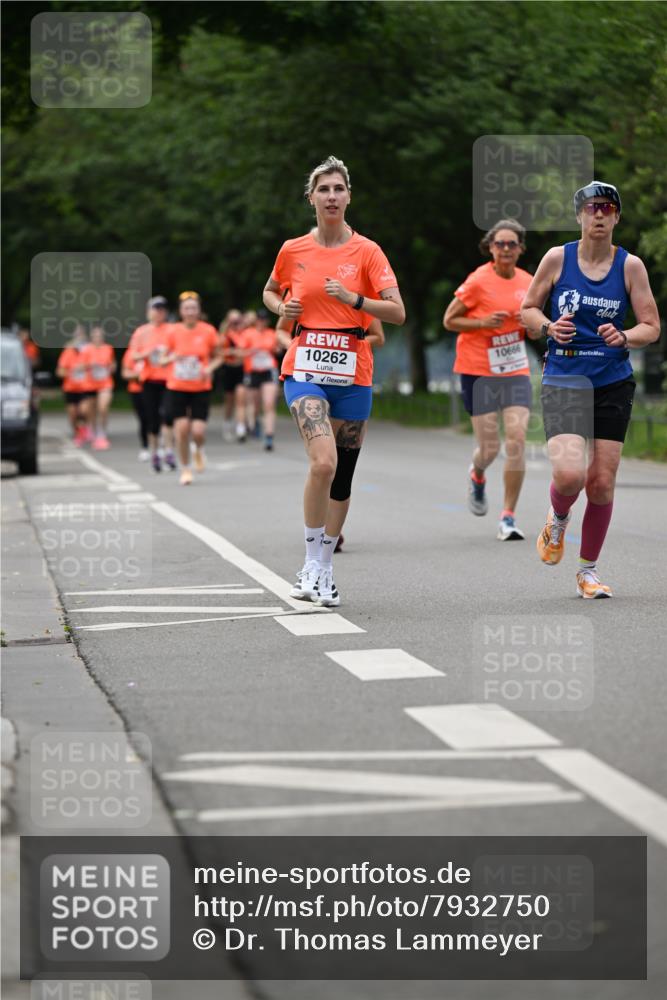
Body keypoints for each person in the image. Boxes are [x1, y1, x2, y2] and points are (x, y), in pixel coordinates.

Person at [263, 155, 405, 606]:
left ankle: (325, 566)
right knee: (322, 463)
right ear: (311, 198)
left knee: (342, 475)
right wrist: (279, 309)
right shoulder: (293, 250)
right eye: (323, 189)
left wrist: (356, 298)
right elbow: (270, 290)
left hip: (353, 370)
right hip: (304, 366)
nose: (331, 196)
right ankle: (308, 561)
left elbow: (397, 312)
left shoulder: (367, 251)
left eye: (338, 189)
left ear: (348, 197)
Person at [521, 181, 660, 598]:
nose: (598, 214)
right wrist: (548, 327)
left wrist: (625, 337)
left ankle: (588, 572)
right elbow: (526, 310)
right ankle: (558, 518)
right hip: (564, 377)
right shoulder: (556, 259)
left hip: (612, 381)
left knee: (600, 482)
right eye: (591, 208)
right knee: (569, 475)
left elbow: (651, 326)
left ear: (617, 217)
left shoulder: (630, 266)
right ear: (579, 215)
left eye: (607, 208)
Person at [443, 220, 537, 540]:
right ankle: (478, 473)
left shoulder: (529, 282)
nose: (507, 249)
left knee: (517, 439)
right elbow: (449, 320)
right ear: (491, 248)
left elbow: (537, 329)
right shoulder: (477, 281)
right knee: (490, 447)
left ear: (521, 249)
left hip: (514, 369)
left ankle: (508, 517)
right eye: (501, 244)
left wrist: (532, 323)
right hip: (478, 369)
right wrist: (483, 322)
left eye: (512, 244)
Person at [162, 291, 223, 485]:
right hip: (177, 386)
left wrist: (208, 368)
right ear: (181, 311)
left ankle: (198, 449)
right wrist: (172, 358)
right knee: (181, 430)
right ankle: (186, 468)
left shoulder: (208, 331)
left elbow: (219, 356)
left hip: (200, 386)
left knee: (197, 431)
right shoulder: (172, 331)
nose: (190, 311)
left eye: (193, 308)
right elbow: (161, 359)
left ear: (199, 310)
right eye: (186, 308)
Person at [130, 296, 176, 472]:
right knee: (152, 419)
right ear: (149, 311)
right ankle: (155, 452)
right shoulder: (142, 332)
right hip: (149, 379)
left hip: (169, 380)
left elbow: (180, 350)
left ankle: (169, 451)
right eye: (156, 309)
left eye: (162, 309)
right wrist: (148, 353)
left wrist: (168, 355)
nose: (159, 313)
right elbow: (133, 356)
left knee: (168, 415)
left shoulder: (172, 330)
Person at [239, 308, 280, 451]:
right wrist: (252, 351)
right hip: (253, 371)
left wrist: (275, 350)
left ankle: (269, 437)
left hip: (268, 371)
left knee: (268, 404)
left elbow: (278, 350)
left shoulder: (272, 334)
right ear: (256, 320)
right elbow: (240, 352)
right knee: (254, 404)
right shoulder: (247, 334)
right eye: (260, 319)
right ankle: (254, 421)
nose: (262, 322)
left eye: (264, 319)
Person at [56, 325, 95, 446]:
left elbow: (97, 367)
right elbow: (59, 372)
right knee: (73, 413)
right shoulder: (68, 352)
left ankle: (87, 429)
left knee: (83, 410)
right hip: (70, 388)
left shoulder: (89, 351)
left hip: (85, 387)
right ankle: (78, 433)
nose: (79, 338)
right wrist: (72, 371)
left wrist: (86, 367)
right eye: (77, 335)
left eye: (82, 334)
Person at [219, 309, 247, 443]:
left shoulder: (245, 334)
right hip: (228, 369)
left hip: (240, 369)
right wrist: (231, 351)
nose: (236, 324)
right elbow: (219, 351)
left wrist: (238, 352)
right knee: (229, 400)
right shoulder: (225, 335)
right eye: (233, 321)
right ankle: (227, 423)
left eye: (238, 321)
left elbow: (247, 351)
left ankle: (241, 428)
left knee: (241, 399)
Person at [87, 325, 116, 449]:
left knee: (103, 408)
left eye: (100, 335)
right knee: (91, 410)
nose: (98, 338)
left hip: (105, 383)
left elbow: (113, 363)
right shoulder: (86, 350)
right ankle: (93, 432)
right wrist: (90, 365)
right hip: (90, 384)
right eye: (95, 335)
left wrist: (111, 368)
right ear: (91, 337)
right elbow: (79, 367)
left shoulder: (108, 348)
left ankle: (102, 433)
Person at [121, 344, 149, 460]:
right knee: (143, 419)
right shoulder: (130, 353)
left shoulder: (152, 349)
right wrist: (139, 376)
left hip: (154, 389)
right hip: (136, 390)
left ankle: (162, 446)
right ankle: (145, 447)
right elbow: (125, 373)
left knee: (158, 417)